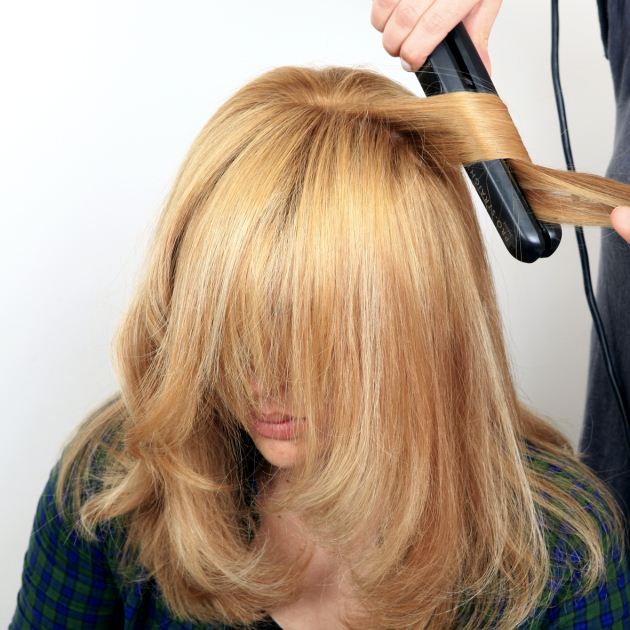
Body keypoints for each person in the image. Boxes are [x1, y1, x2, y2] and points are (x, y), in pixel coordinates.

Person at [10, 35, 630, 630]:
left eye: (318, 339)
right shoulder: (117, 484)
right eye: (233, 329)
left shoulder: (559, 556)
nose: (265, 383)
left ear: (424, 324)